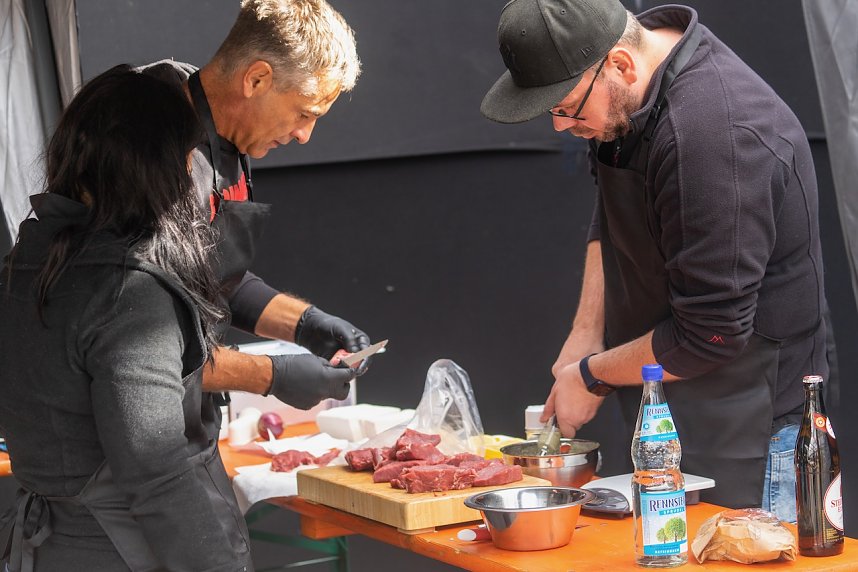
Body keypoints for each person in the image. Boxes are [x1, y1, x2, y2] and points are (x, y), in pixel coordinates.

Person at [481, 0, 831, 519]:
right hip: (671, 403)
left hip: (756, 425)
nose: (559, 125)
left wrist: (592, 374)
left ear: (621, 64)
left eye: (567, 106)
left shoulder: (715, 137)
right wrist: (585, 335)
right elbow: (612, 211)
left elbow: (710, 333)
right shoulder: (628, 96)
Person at [0, 66, 264, 571]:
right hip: (117, 553)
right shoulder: (127, 289)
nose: (193, 174)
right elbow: (157, 473)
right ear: (154, 165)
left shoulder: (25, 264)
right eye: (189, 158)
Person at [140, 0, 372, 431]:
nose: (305, 135)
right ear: (258, 78)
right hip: (114, 458)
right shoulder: (146, 143)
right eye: (305, 113)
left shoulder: (230, 143)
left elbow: (214, 281)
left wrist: (305, 325)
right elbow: (139, 353)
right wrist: (271, 375)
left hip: (186, 428)